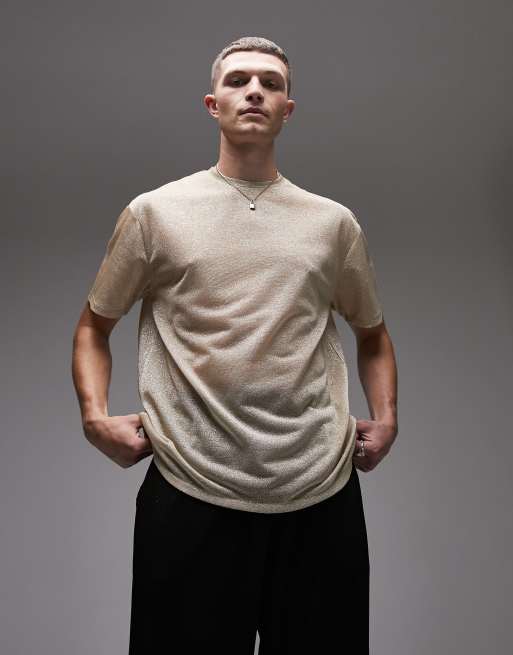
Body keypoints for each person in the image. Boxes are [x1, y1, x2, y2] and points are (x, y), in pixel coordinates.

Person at [72, 35, 398, 655]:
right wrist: (94, 417)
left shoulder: (333, 223)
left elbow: (373, 334)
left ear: (287, 109)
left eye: (271, 84)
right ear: (212, 104)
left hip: (319, 488)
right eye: (239, 81)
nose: (254, 92)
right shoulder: (154, 213)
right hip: (190, 486)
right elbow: (93, 325)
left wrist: (387, 418)